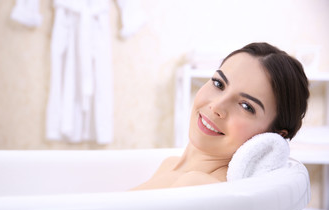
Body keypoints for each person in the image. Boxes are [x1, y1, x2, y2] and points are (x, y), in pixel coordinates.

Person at [132, 42, 309, 190]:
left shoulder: (198, 186)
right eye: (219, 83)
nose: (216, 106)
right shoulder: (169, 165)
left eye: (246, 106)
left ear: (274, 136)